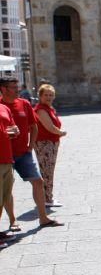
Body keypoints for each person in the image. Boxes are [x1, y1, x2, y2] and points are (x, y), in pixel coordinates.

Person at [0, 77, 61, 229]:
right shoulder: (0, 106)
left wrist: (30, 145)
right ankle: (13, 220)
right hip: (4, 155)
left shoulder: (24, 104)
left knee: (38, 181)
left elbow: (34, 126)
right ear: (4, 89)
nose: (17, 89)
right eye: (13, 87)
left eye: (17, 86)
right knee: (8, 189)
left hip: (23, 153)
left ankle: (43, 217)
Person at [33, 84, 67, 209]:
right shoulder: (41, 110)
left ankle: (47, 196)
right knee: (47, 171)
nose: (49, 97)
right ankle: (47, 198)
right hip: (45, 143)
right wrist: (61, 132)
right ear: (40, 96)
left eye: (51, 95)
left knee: (48, 170)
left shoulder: (49, 108)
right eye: (46, 95)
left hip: (50, 143)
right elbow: (49, 127)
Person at [0, 99, 16, 250]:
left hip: (6, 158)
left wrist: (15, 130)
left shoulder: (4, 108)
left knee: (5, 197)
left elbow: (12, 126)